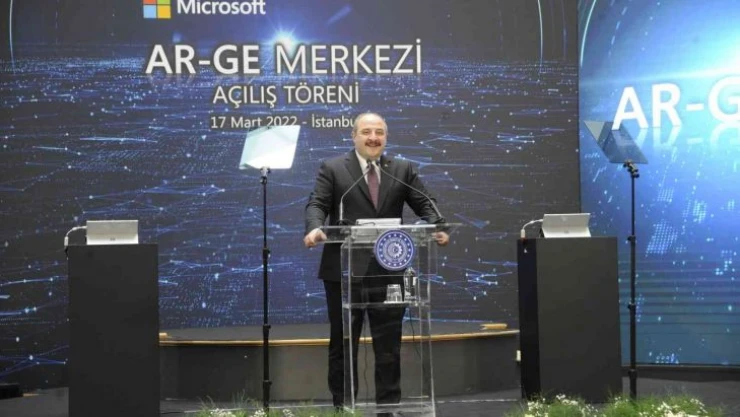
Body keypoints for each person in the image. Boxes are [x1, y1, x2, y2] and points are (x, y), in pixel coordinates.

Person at [303, 112, 449, 410]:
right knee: (343, 345)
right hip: (344, 273)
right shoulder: (333, 168)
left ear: (386, 137)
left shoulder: (402, 169)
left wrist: (438, 225)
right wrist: (315, 227)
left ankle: (389, 409)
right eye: (367, 132)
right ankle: (344, 409)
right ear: (354, 136)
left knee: (389, 347)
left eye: (379, 132)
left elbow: (425, 203)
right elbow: (317, 203)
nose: (373, 138)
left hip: (389, 272)